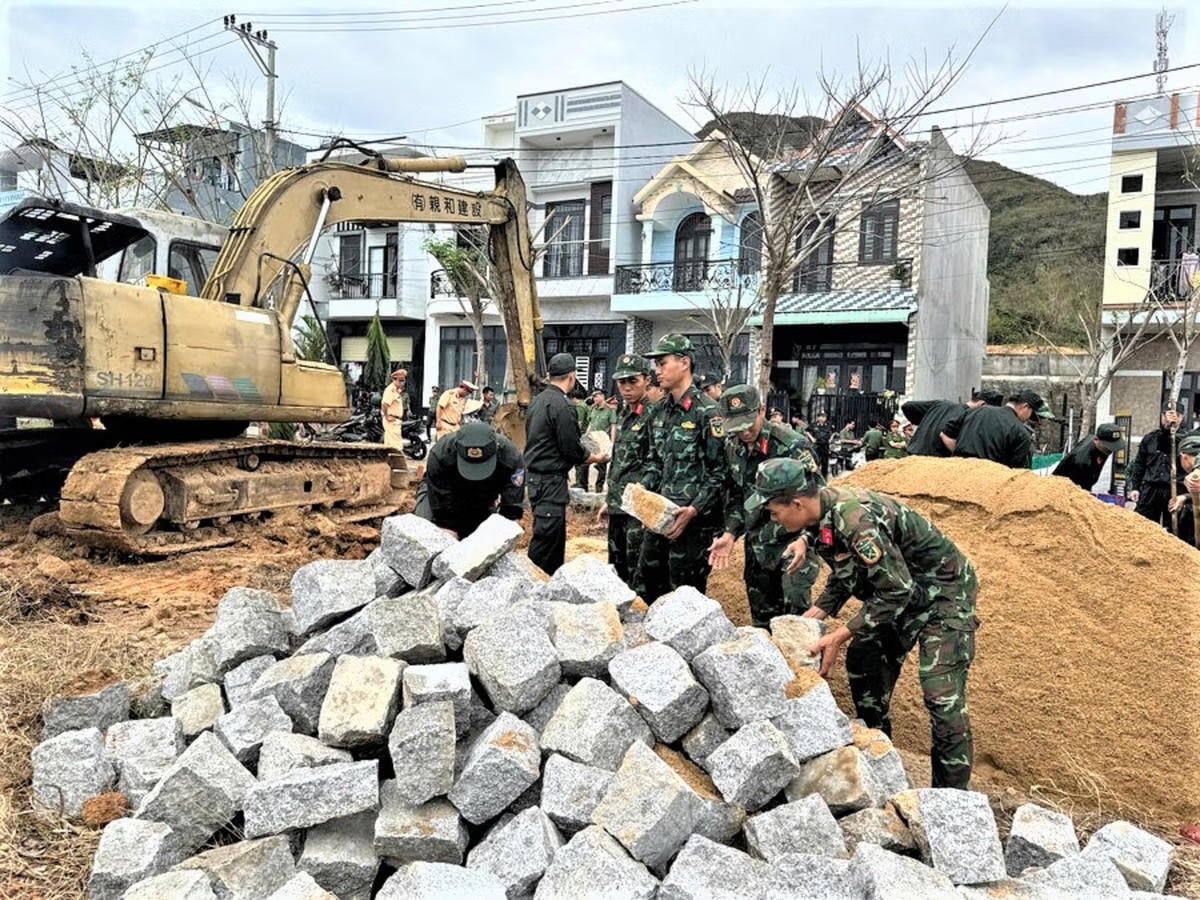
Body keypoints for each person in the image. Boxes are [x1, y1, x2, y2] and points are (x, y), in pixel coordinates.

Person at [749, 458, 979, 790]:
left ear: (797, 503)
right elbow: (849, 573)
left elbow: (896, 589)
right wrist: (818, 612)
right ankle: (880, 761)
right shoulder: (818, 518)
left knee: (941, 695)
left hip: (945, 592)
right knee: (865, 662)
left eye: (773, 511)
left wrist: (840, 635)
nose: (772, 519)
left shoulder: (854, 519)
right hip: (905, 589)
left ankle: (952, 798)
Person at [707, 384, 823, 624]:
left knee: (797, 620)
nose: (745, 432)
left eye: (748, 422)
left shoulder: (792, 446)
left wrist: (806, 539)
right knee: (762, 620)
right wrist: (730, 533)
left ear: (762, 410)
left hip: (793, 543)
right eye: (737, 426)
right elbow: (737, 497)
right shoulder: (732, 446)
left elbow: (819, 501)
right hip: (757, 545)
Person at [638, 334, 727, 597]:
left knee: (686, 597)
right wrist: (642, 491)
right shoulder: (659, 411)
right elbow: (655, 461)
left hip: (693, 526)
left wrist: (695, 509)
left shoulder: (708, 413)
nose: (657, 371)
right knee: (649, 587)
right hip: (660, 519)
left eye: (662, 363)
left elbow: (719, 473)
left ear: (684, 363)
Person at [525, 353, 607, 574]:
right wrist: (596, 457)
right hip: (550, 481)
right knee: (547, 541)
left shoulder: (537, 402)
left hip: (536, 480)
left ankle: (547, 586)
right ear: (571, 378)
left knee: (551, 539)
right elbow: (571, 449)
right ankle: (534, 587)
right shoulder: (562, 406)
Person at [598, 354, 656, 591]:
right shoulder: (624, 415)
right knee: (616, 573)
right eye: (622, 382)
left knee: (638, 576)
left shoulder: (654, 415)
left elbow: (656, 463)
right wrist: (609, 500)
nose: (626, 387)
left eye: (632, 381)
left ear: (646, 380)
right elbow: (621, 463)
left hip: (638, 510)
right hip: (618, 506)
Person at [414, 421, 525, 539]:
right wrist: (447, 535)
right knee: (430, 535)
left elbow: (511, 512)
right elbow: (442, 515)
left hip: (483, 498)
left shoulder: (511, 459)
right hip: (442, 494)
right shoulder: (441, 455)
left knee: (484, 538)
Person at [947, 390, 1053, 468]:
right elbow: (1015, 473)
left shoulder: (976, 411)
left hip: (957, 472)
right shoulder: (1021, 433)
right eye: (1033, 416)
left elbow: (945, 434)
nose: (1033, 421)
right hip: (988, 483)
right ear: (1025, 407)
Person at [1128, 404, 1185, 532]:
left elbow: (1172, 442)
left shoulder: (1185, 440)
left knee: (1174, 529)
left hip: (1174, 490)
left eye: (1177, 416)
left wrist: (1173, 428)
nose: (1170, 419)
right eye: (1167, 415)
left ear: (1182, 418)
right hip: (1150, 489)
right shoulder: (1150, 438)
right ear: (1162, 416)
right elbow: (1139, 464)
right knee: (1142, 526)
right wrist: (1135, 487)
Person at [904, 390, 1002, 458]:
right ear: (982, 404)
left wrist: (925, 422)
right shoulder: (969, 418)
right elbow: (946, 437)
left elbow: (907, 406)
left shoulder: (941, 404)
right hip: (934, 463)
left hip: (911, 457)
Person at [1052, 423, 1125, 491]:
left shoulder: (1102, 449)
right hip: (1062, 489)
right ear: (1096, 440)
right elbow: (1080, 493)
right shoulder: (1082, 462)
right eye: (1108, 446)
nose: (1111, 450)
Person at [575, 389, 616, 493]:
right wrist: (585, 437)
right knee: (584, 462)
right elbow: (590, 424)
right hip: (592, 440)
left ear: (602, 396)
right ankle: (583, 487)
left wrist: (612, 442)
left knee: (601, 466)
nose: (594, 399)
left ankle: (599, 488)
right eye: (593, 397)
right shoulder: (593, 409)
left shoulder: (610, 410)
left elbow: (613, 426)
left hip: (603, 441)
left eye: (596, 396)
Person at [380, 368, 408, 451]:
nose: (402, 383)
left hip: (396, 420)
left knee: (393, 445)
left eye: (403, 380)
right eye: (400, 381)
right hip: (391, 420)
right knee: (395, 447)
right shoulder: (390, 390)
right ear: (395, 380)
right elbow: (384, 404)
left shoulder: (396, 390)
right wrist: (387, 416)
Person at [810, 412, 833, 476]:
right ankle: (814, 476)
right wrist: (812, 438)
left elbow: (834, 432)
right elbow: (807, 431)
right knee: (816, 461)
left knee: (825, 462)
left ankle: (824, 476)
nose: (823, 418)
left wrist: (831, 438)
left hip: (825, 445)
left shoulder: (828, 425)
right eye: (821, 416)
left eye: (824, 417)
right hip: (817, 445)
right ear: (818, 417)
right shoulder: (814, 425)